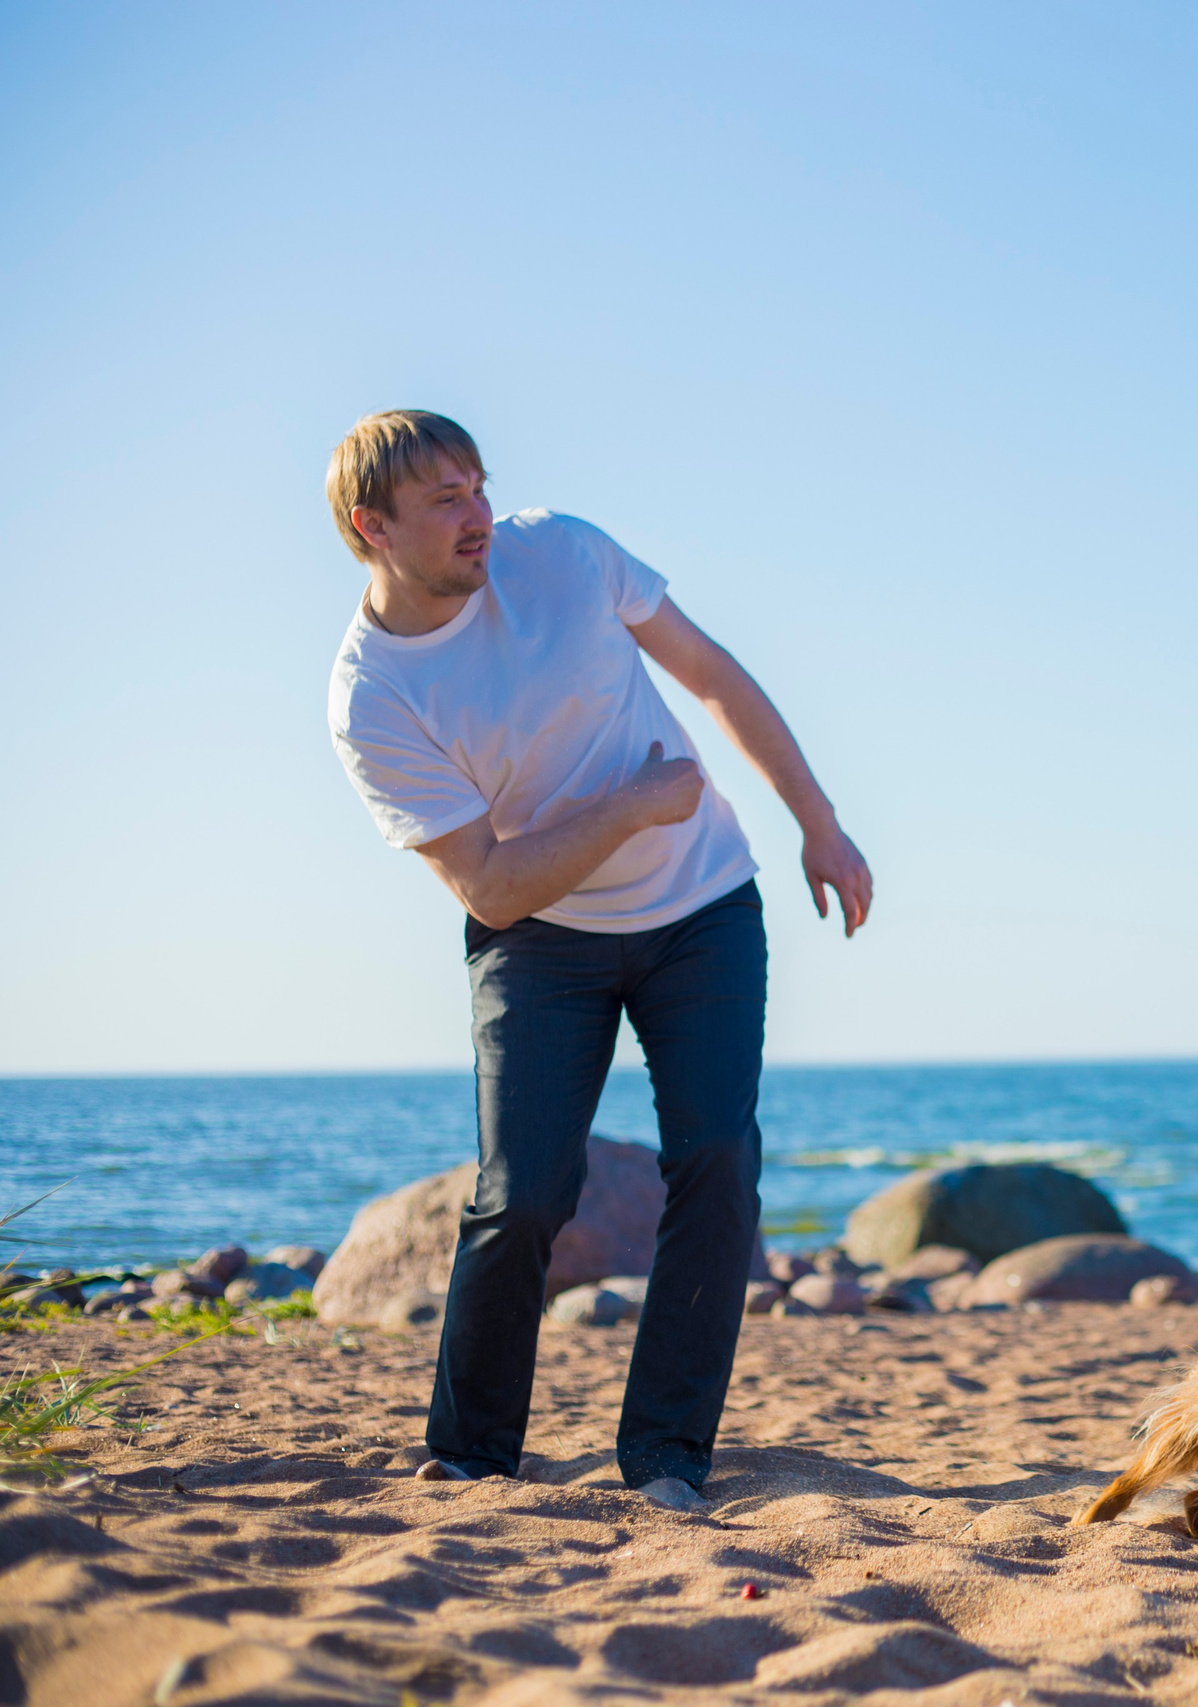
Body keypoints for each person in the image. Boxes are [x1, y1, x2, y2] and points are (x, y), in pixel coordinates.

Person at [323, 410, 871, 1511]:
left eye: (480, 486)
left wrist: (818, 821)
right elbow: (490, 887)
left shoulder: (563, 552)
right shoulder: (372, 696)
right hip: (537, 942)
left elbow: (712, 674)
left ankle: (667, 1453)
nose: (478, 515)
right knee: (524, 1191)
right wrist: (632, 804)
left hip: (701, 907)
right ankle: (473, 1453)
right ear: (370, 526)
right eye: (445, 500)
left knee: (717, 1160)